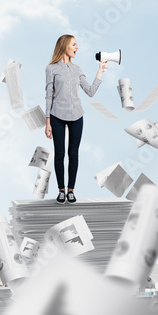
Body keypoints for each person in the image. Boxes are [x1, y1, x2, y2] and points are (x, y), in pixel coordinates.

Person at [45, 34, 108, 204]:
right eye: (74, 44)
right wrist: (48, 121)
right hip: (57, 115)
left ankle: (71, 190)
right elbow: (48, 96)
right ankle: (61, 190)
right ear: (65, 46)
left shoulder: (77, 69)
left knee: (73, 154)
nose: (77, 47)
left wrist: (100, 72)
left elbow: (90, 91)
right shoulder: (51, 69)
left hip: (77, 116)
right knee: (59, 154)